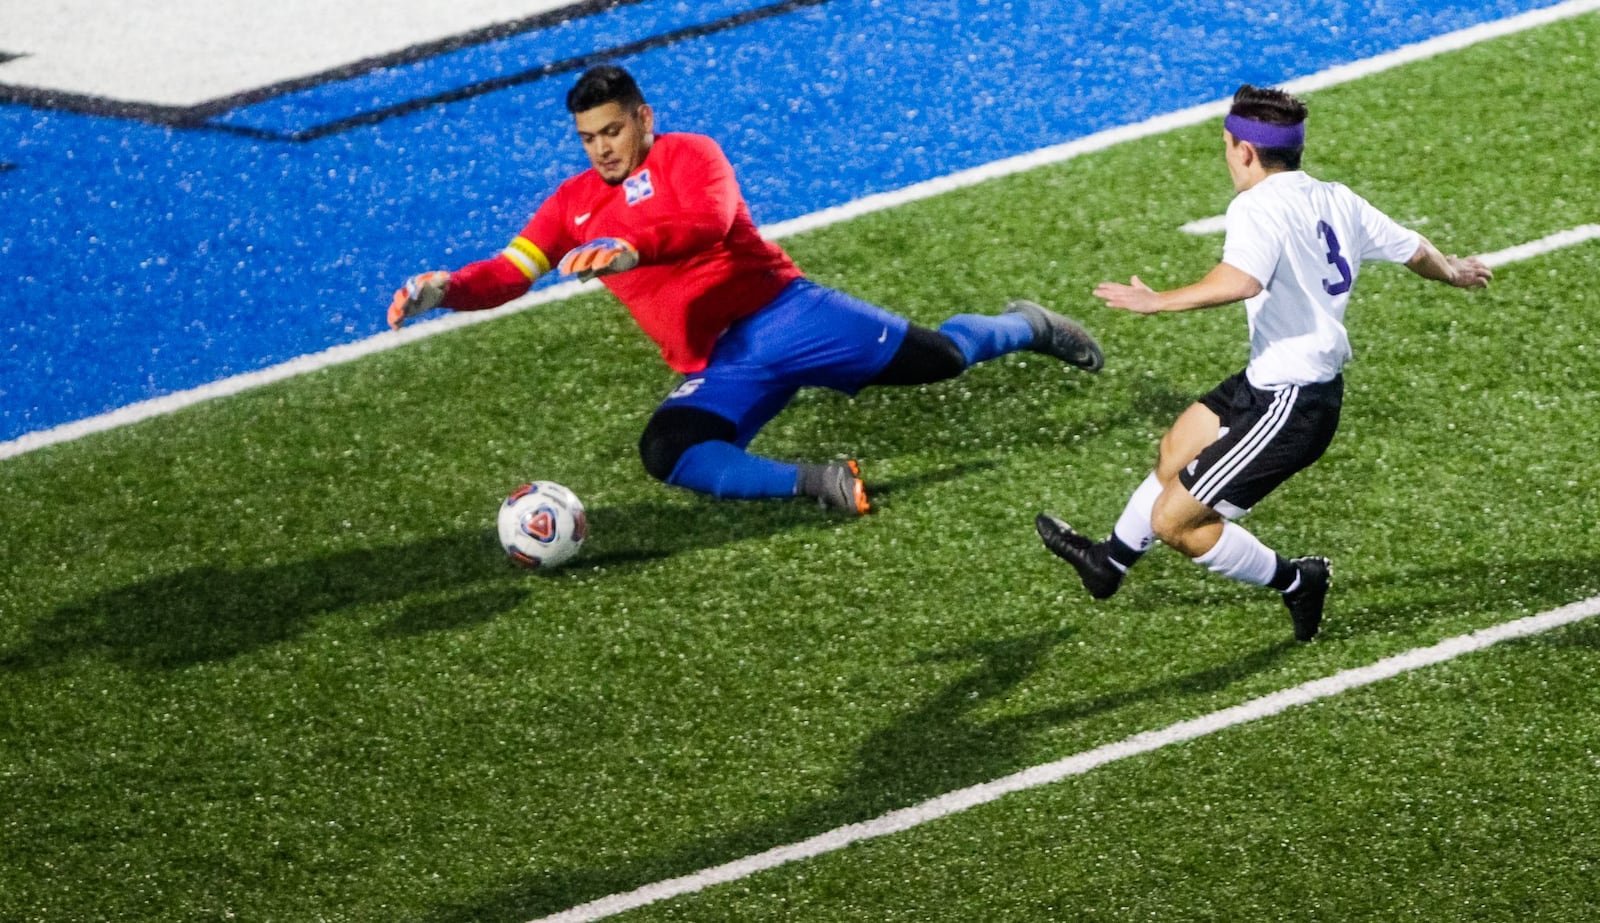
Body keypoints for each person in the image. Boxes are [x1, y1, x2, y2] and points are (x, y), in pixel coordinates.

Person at [389, 64, 1104, 515]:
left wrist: (631, 247)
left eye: (613, 130)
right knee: (669, 450)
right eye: (588, 137)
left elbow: (708, 221)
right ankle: (816, 482)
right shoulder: (570, 204)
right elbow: (511, 270)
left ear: (643, 118)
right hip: (721, 366)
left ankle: (1028, 325)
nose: (602, 148)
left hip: (788, 316)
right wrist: (446, 290)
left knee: (943, 357)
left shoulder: (689, 155)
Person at [1036, 84, 1492, 640]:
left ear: (1244, 151)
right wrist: (1454, 272)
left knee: (1177, 524)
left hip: (1292, 404)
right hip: (1270, 380)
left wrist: (1159, 301)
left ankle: (1298, 581)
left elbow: (1241, 280)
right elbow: (1412, 248)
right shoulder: (1335, 197)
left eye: (1227, 145)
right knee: (1177, 448)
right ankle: (1109, 562)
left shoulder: (1255, 205)